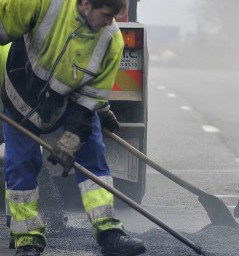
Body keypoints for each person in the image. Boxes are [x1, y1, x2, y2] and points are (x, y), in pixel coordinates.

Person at [0, 0, 146, 255]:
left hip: (69, 101)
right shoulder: (40, 3)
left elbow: (87, 103)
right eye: (106, 15)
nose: (111, 23)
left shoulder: (112, 40)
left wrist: (72, 138)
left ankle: (109, 232)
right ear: (86, 4)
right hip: (20, 95)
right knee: (21, 164)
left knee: (93, 155)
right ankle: (27, 238)